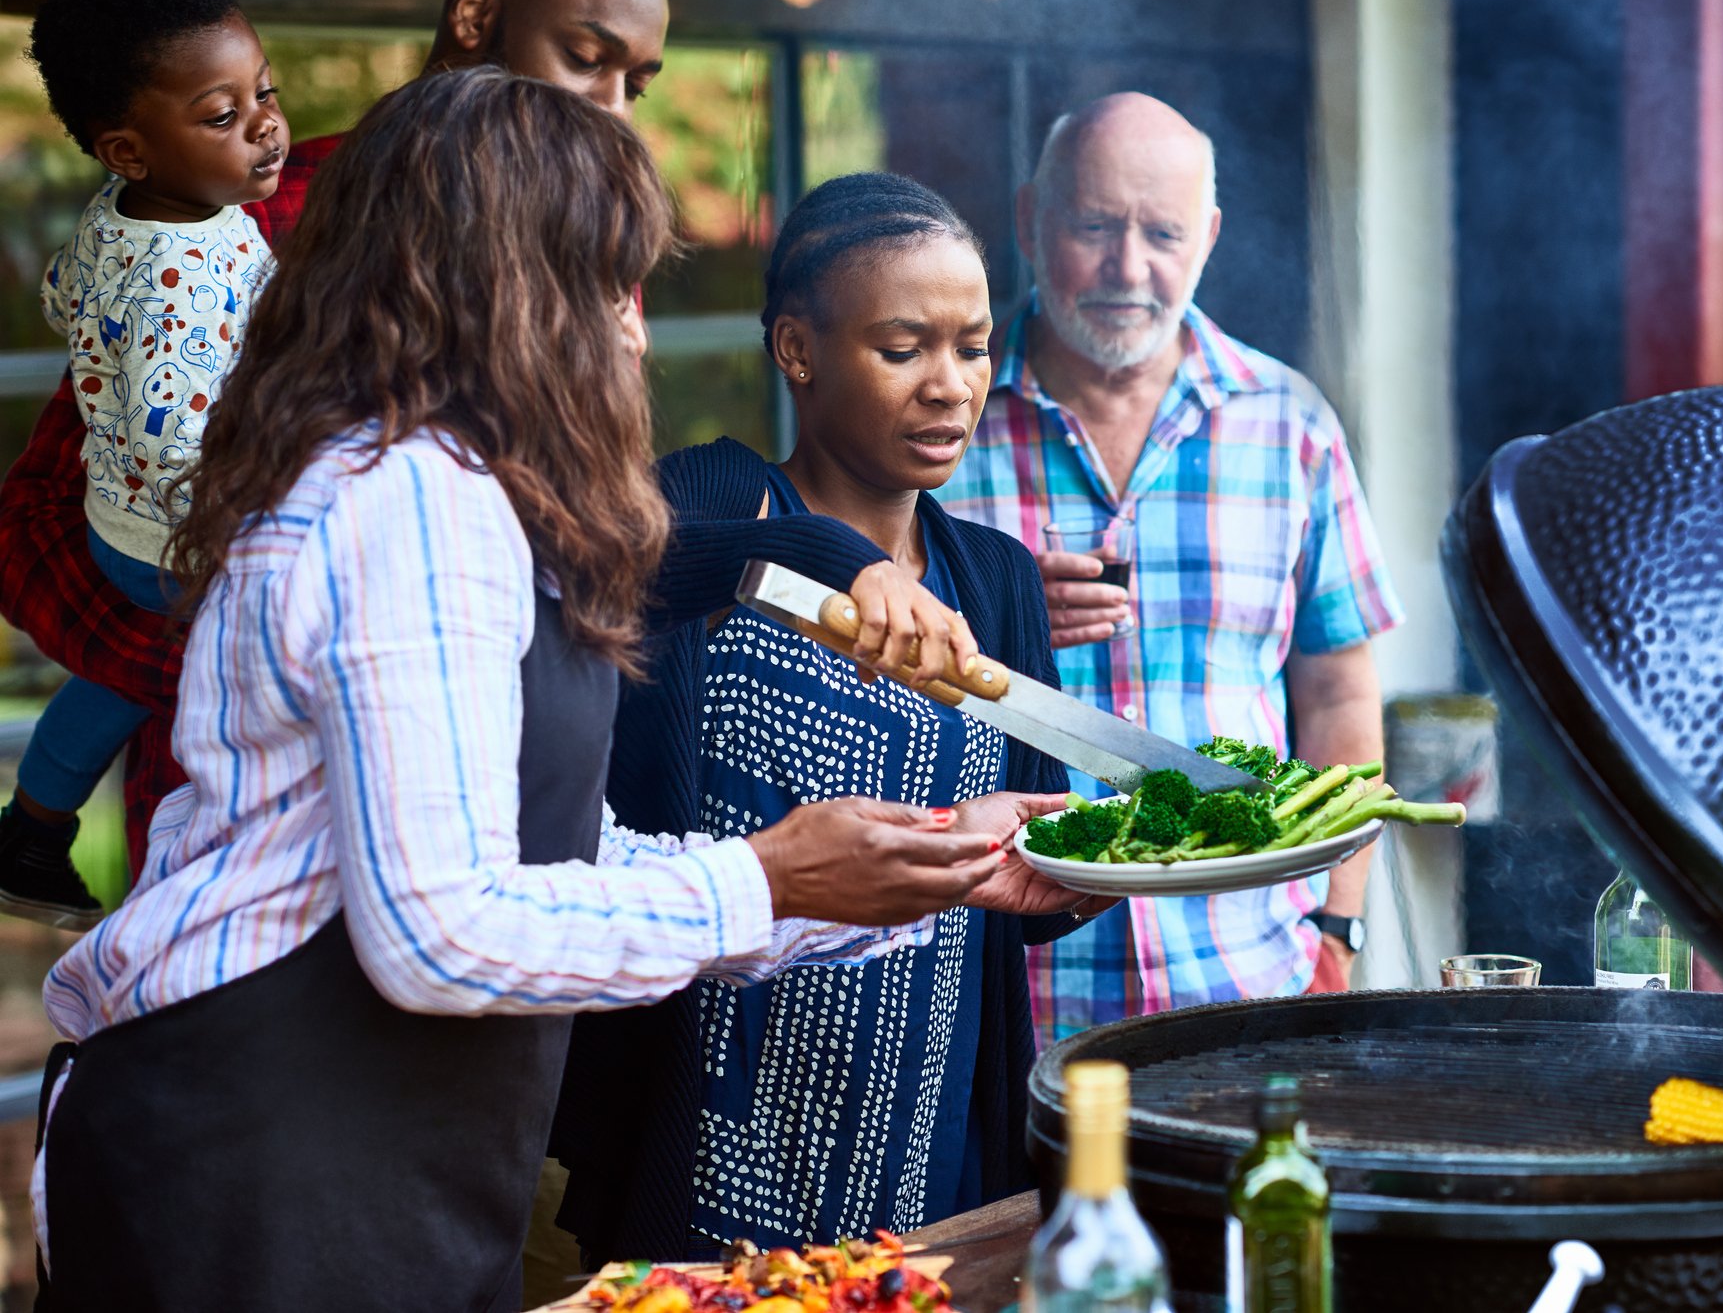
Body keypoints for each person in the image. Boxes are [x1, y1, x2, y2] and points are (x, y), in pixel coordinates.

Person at [31, 68, 1037, 1312]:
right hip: (257, 1165)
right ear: (500, 291)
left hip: (395, 1160)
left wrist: (901, 869)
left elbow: (560, 856)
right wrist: (766, 876)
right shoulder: (406, 501)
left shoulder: (475, 503)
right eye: (605, 287)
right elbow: (440, 931)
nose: (632, 333)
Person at [0, 0, 671, 884]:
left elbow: (588, 538)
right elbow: (37, 518)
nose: (609, 108)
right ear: (475, 16)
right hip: (237, 856)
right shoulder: (258, 220)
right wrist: (242, 677)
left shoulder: (601, 264)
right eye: (585, 57)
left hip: (493, 835)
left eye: (636, 84)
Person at [554, 173, 1097, 1264]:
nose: (949, 386)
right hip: (701, 1100)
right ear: (797, 348)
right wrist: (826, 554)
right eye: (903, 349)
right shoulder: (716, 498)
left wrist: (1097, 869)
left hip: (925, 1118)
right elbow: (604, 573)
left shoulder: (989, 579)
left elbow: (1028, 892)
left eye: (974, 346)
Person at [933, 93, 1404, 1043]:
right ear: (1029, 219)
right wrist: (992, 621)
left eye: (1163, 233)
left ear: (1210, 237)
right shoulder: (938, 425)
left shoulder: (1290, 423)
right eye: (1095, 226)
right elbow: (847, 686)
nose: (1129, 268)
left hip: (1251, 977)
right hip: (1002, 995)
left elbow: (1340, 695)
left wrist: (1336, 929)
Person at [0, 0, 284, 930]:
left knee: (110, 680)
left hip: (118, 515)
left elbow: (62, 290)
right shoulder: (177, 288)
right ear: (129, 147)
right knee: (158, 686)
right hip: (170, 542)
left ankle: (32, 821)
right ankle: (53, 834)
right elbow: (175, 445)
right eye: (223, 114)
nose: (265, 127)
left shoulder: (144, 209)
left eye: (265, 93)